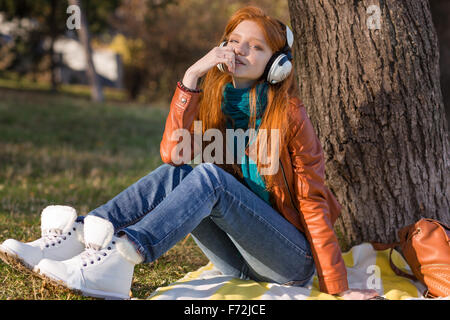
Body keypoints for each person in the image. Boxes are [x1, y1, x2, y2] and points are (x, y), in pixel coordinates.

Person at [0, 6, 379, 300]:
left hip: (289, 261)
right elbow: (172, 156)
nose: (241, 49)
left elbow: (312, 201)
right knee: (184, 171)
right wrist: (193, 76)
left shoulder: (290, 114)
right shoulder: (214, 98)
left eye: (256, 46)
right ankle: (76, 237)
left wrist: (337, 287)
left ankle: (120, 260)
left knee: (211, 177)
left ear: (277, 66)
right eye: (234, 40)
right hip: (239, 259)